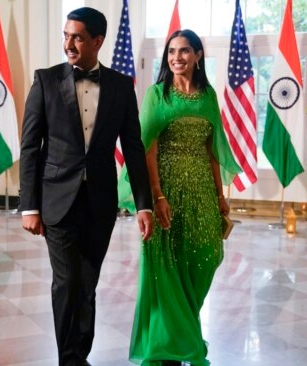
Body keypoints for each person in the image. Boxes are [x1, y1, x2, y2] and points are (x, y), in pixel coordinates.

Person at [19, 7, 153, 366]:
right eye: (66, 36)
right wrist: (28, 206)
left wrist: (144, 204)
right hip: (57, 201)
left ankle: (79, 353)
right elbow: (31, 146)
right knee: (67, 282)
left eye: (77, 37)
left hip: (101, 203)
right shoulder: (45, 81)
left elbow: (134, 148)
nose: (69, 44)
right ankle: (69, 360)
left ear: (97, 40)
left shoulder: (122, 86)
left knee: (87, 284)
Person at [125, 30, 241, 366]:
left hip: (203, 190)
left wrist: (220, 195)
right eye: (171, 52)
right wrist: (156, 195)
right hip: (167, 191)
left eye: (184, 51)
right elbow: (147, 149)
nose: (177, 57)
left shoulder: (208, 96)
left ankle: (182, 331)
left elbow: (213, 149)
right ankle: (173, 343)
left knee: (206, 256)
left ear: (198, 55)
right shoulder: (157, 95)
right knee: (166, 263)